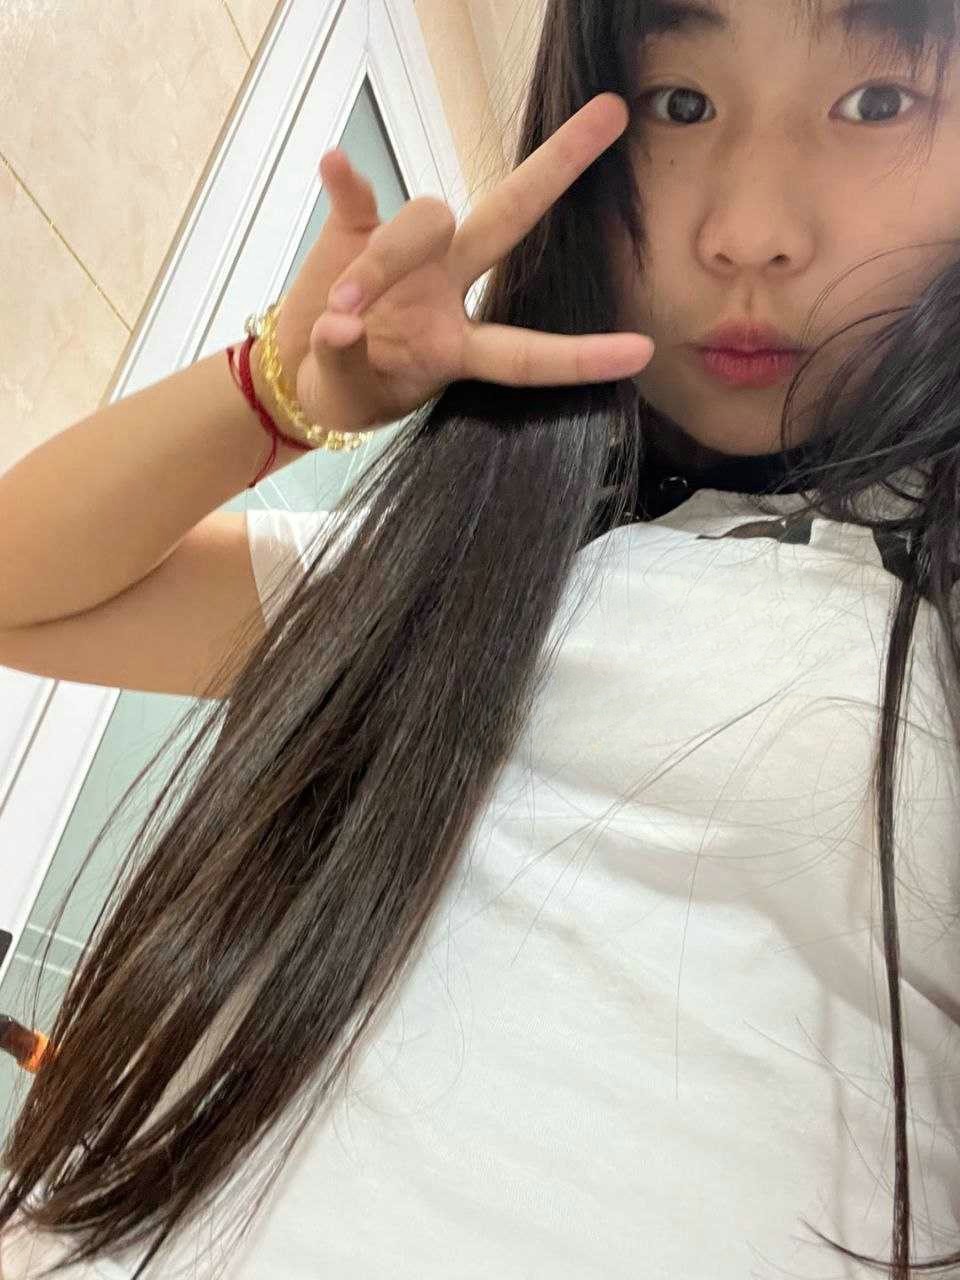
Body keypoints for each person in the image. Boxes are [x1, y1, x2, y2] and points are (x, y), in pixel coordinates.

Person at [0, 0, 959, 1276]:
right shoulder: (483, 571)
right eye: (681, 104)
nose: (748, 230)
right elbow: (25, 593)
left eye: (875, 103)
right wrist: (283, 388)